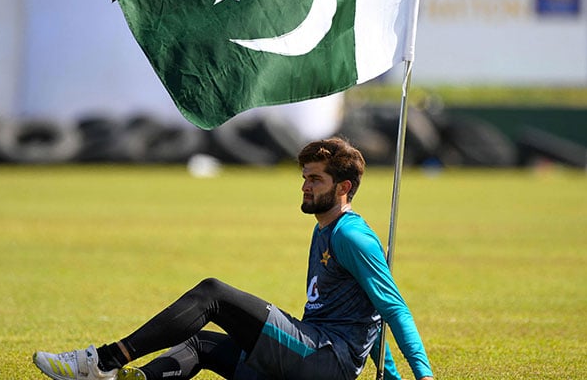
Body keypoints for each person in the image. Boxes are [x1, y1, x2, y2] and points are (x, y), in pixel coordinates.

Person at [33, 137, 434, 380]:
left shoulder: (351, 235)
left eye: (315, 179)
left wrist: (422, 374)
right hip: (314, 355)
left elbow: (392, 309)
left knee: (214, 295)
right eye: (304, 178)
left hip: (323, 361)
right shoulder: (324, 226)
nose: (305, 187)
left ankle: (102, 360)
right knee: (198, 343)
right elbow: (369, 314)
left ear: (343, 187)